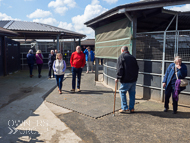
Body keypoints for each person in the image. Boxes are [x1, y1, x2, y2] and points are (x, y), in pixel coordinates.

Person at [115, 46, 139, 113]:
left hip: (126, 79)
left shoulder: (121, 57)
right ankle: (132, 108)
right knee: (132, 94)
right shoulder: (132, 57)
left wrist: (118, 77)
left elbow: (120, 68)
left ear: (122, 50)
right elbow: (137, 68)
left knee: (122, 91)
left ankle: (124, 107)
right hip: (133, 79)